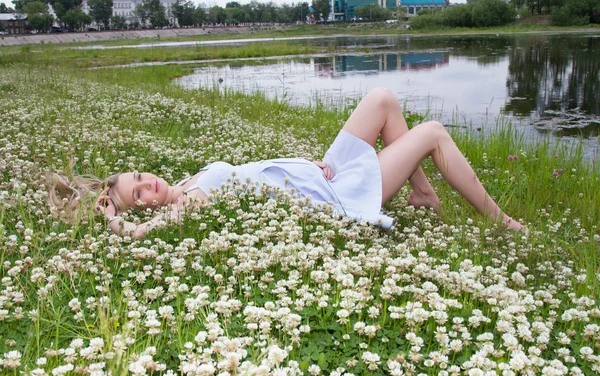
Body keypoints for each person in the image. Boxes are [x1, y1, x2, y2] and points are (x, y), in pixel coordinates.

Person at [47, 88, 525, 239]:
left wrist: (301, 161)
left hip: (321, 171)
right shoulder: (189, 201)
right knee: (434, 132)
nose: (147, 183)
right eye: (139, 194)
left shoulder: (186, 179)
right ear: (145, 209)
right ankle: (500, 220)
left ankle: (422, 193)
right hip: (336, 195)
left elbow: (258, 170)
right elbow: (136, 232)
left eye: (138, 177)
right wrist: (114, 224)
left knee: (382, 100)